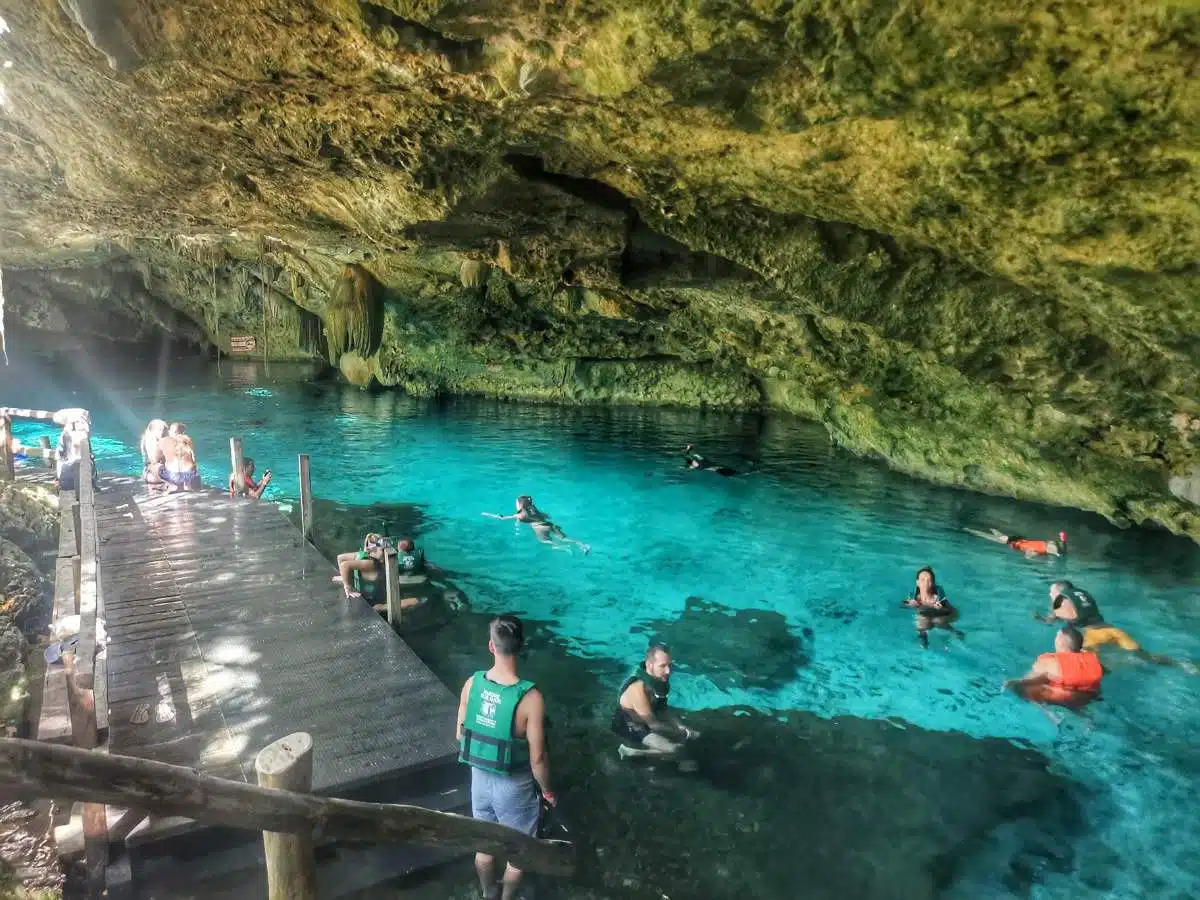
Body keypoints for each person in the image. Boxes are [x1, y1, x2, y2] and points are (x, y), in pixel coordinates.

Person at [457, 616, 553, 900]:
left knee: (484, 847)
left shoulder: (471, 685)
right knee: (518, 853)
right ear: (520, 646)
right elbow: (538, 759)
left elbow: (460, 737)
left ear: (491, 646)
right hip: (514, 785)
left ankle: (488, 893)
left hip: (480, 780)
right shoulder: (531, 698)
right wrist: (548, 791)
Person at [1036, 581, 1195, 671]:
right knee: (1146, 656)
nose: (1050, 595)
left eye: (1051, 592)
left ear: (1059, 592)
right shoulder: (1082, 594)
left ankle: (1124, 664)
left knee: (1095, 668)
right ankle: (1182, 664)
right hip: (1112, 630)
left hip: (1093, 636)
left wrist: (1043, 619)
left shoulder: (1061, 602)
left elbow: (1053, 620)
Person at [612, 643, 699, 761]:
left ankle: (646, 752)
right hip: (631, 727)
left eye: (670, 665)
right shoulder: (637, 688)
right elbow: (653, 725)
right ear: (649, 665)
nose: (668, 671)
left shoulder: (660, 681)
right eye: (662, 666)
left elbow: (663, 709)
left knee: (687, 742)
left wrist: (681, 725)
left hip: (648, 722)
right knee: (676, 749)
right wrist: (684, 733)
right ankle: (632, 752)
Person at [1005, 626, 1102, 708]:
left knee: (1017, 687)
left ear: (1060, 642)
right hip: (1087, 698)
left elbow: (1030, 680)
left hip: (1060, 698)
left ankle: (1049, 714)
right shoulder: (1093, 659)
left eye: (1057, 636)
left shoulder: (1049, 661)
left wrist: (1014, 682)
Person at [483, 495, 590, 554]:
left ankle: (563, 548)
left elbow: (503, 519)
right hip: (550, 525)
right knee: (565, 538)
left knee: (546, 541)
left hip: (540, 528)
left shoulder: (520, 515)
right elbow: (548, 516)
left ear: (520, 505)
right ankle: (582, 545)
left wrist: (491, 515)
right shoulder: (535, 510)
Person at [901, 566, 964, 648]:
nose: (926, 583)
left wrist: (941, 608)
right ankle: (923, 638)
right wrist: (910, 605)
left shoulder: (938, 598)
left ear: (933, 583)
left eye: (929, 580)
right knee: (922, 619)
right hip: (925, 615)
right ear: (917, 582)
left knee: (937, 621)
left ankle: (953, 631)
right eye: (923, 580)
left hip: (945, 614)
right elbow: (902, 606)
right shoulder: (914, 598)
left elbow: (949, 610)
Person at [155, 423, 200, 493]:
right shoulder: (188, 439)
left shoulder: (163, 440)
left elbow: (156, 459)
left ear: (172, 431)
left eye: (170, 429)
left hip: (172, 476)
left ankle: (172, 485)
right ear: (183, 432)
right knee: (194, 464)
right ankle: (187, 485)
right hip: (188, 475)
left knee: (156, 466)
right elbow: (193, 457)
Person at [967, 527, 1066, 557]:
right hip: (1016, 542)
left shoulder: (1043, 548)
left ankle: (992, 530)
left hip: (1018, 541)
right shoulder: (1040, 551)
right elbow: (1028, 556)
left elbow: (1028, 555)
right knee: (996, 537)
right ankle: (970, 530)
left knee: (1000, 537)